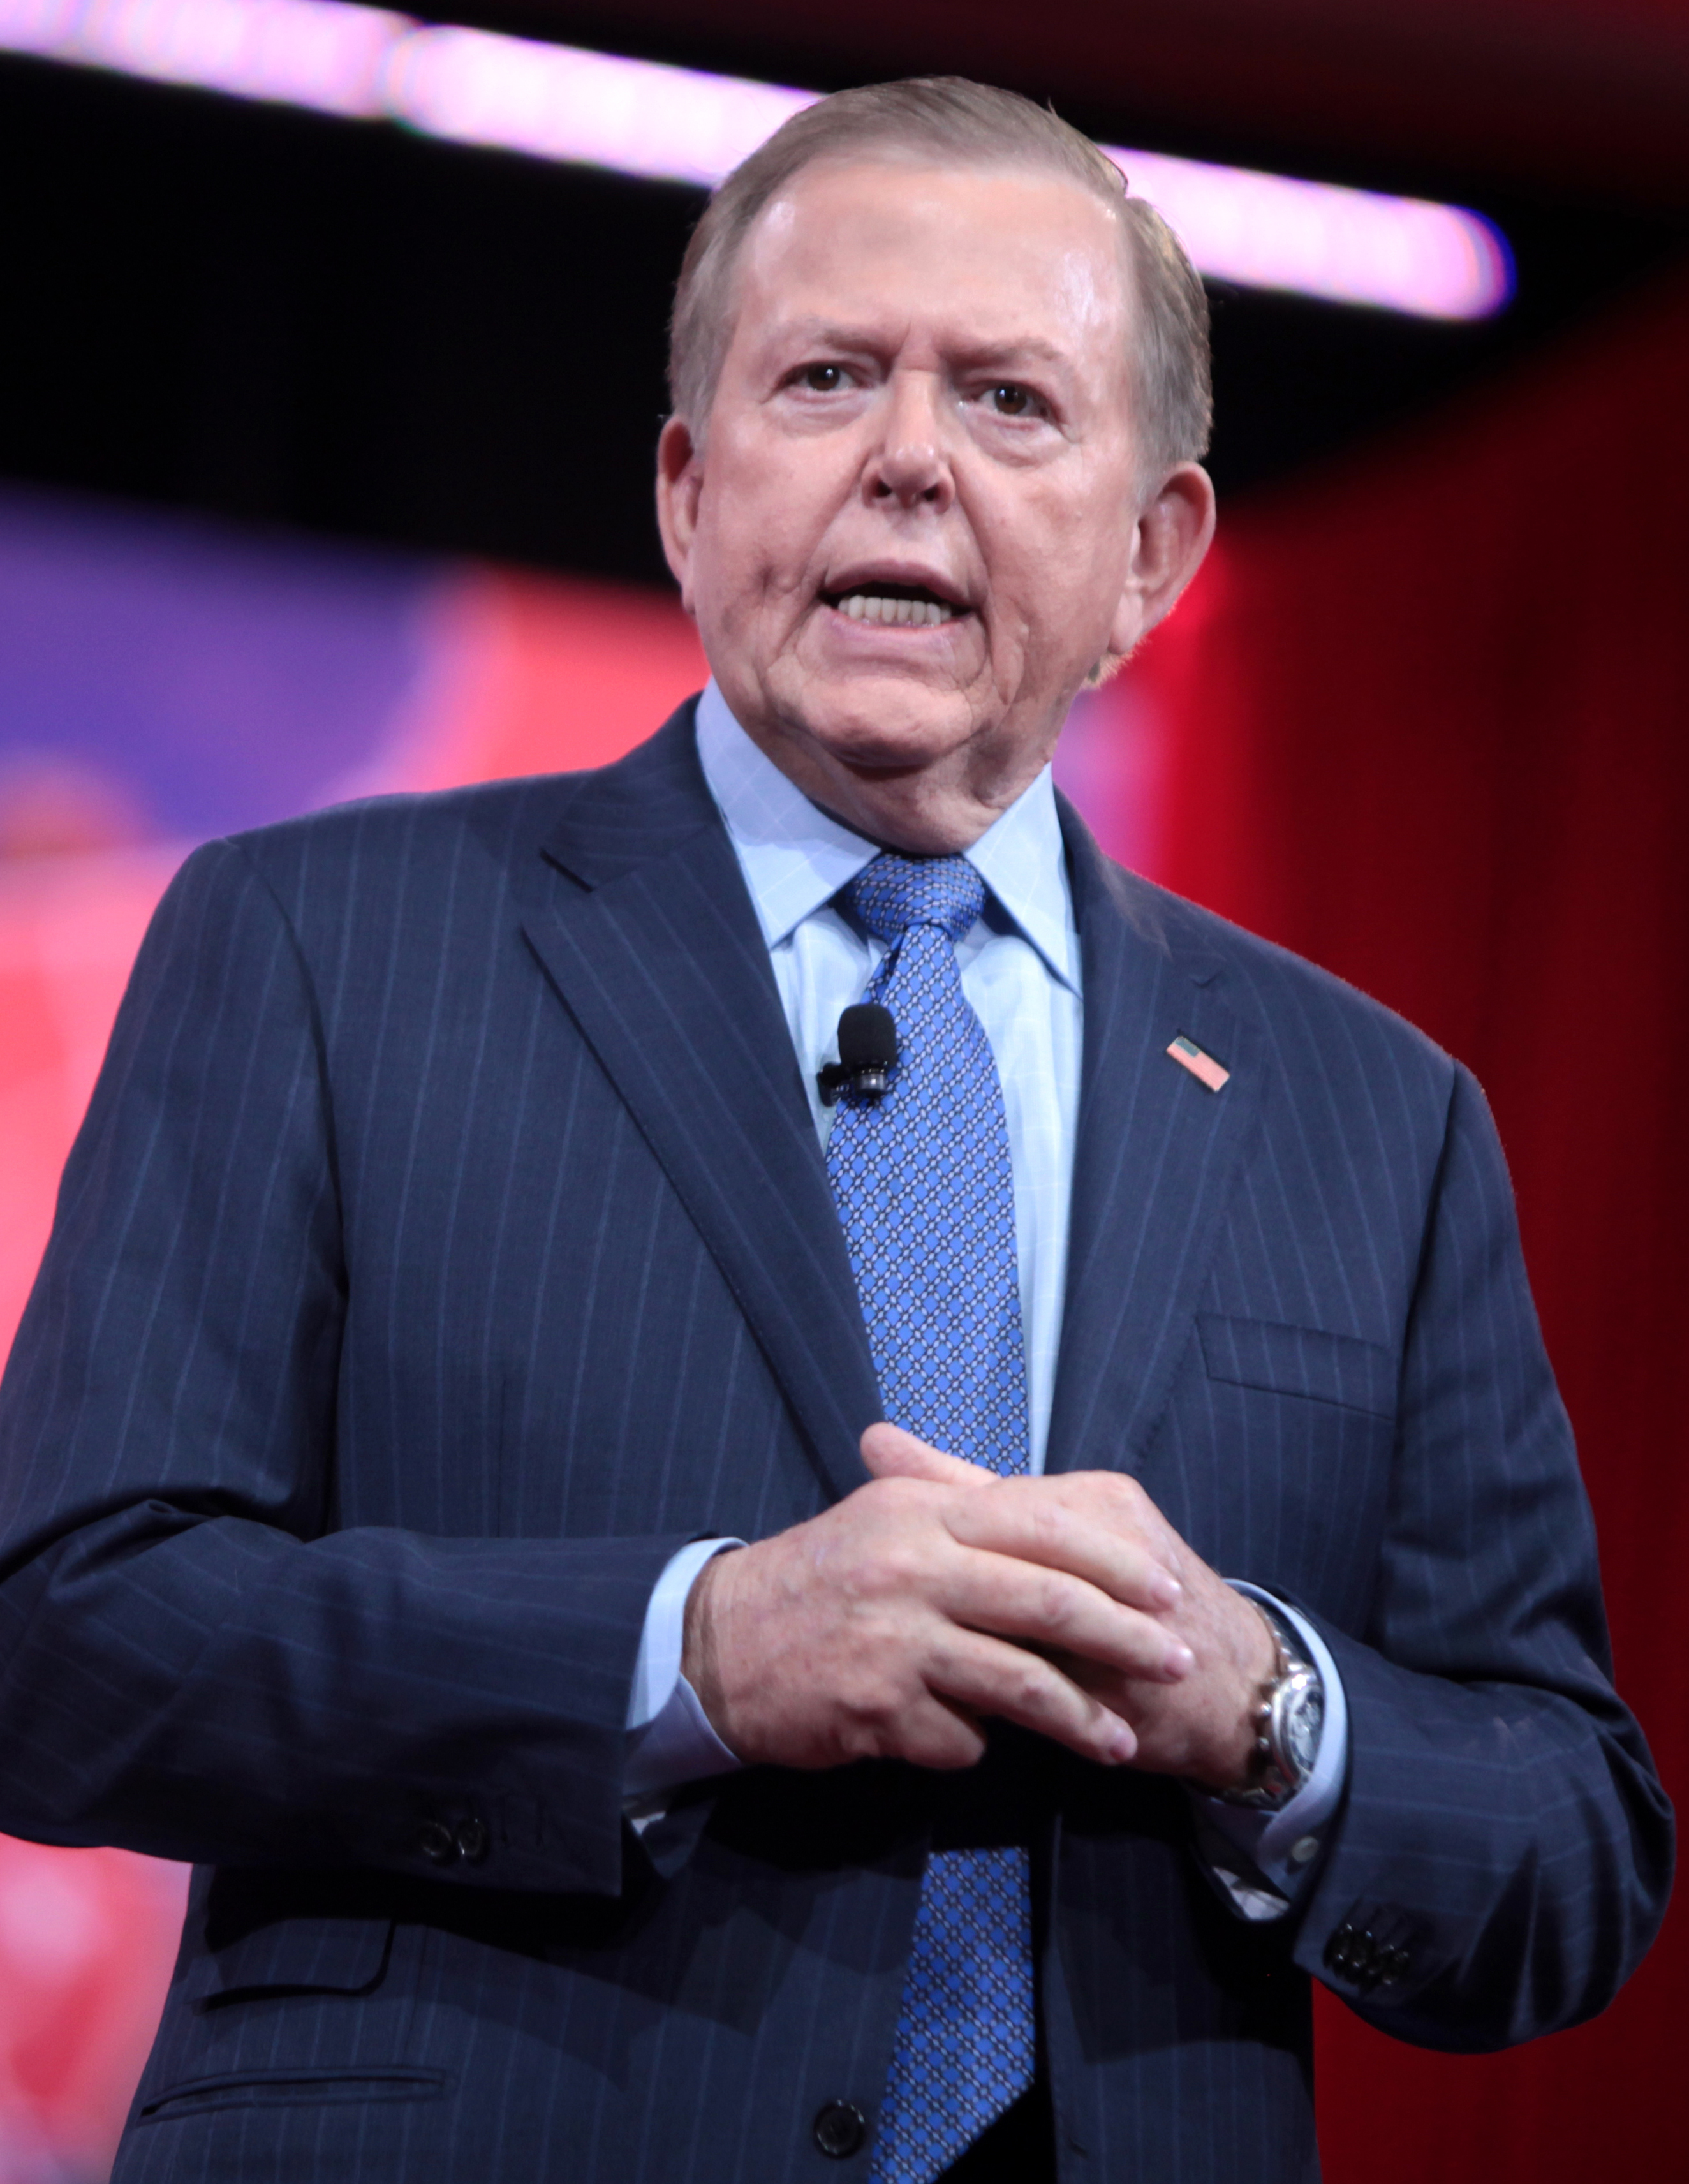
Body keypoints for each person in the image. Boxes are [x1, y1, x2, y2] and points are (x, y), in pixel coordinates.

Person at [0, 77, 1669, 2184]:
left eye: (1010, 401)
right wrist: (687, 1653)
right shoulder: (322, 942)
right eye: (828, 378)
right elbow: (63, 1639)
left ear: (1153, 554)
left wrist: (1260, 1704)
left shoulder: (1377, 1116)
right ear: (691, 492)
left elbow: (1572, 1839)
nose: (908, 456)